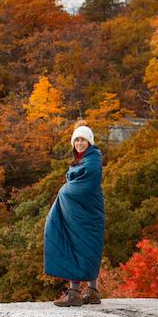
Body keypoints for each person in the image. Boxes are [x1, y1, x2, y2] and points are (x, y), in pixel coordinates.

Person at [43, 125, 106, 307]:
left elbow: (87, 185)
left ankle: (75, 293)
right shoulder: (83, 159)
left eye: (82, 140)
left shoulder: (93, 160)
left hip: (87, 211)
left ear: (89, 142)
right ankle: (91, 292)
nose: (79, 143)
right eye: (76, 140)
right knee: (82, 246)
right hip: (79, 210)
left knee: (80, 246)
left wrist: (64, 191)